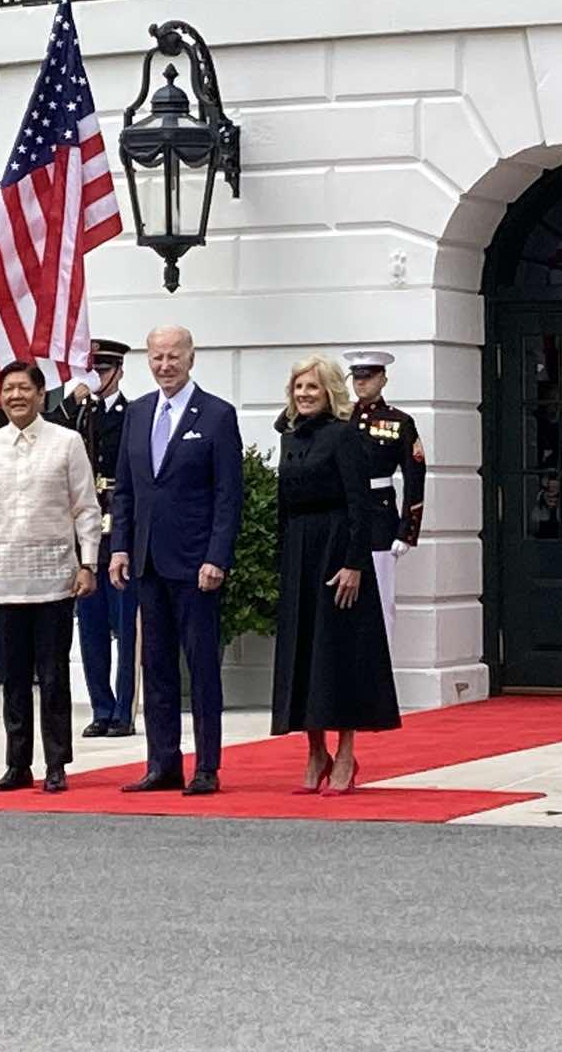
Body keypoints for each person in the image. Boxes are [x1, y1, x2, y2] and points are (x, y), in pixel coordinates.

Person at [109, 326, 243, 796]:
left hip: (195, 564)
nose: (165, 365)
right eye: (157, 357)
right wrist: (120, 546)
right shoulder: (139, 412)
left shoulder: (218, 415)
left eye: (174, 356)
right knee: (156, 666)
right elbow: (125, 490)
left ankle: (206, 765)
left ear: (191, 358)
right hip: (147, 560)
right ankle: (162, 762)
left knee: (201, 667)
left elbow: (229, 496)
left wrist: (216, 557)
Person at [0, 360, 103, 793]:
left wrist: (89, 563)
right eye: (8, 389)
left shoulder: (66, 442)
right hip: (5, 577)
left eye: (24, 388)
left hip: (56, 576)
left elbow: (86, 507)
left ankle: (57, 762)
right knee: (15, 678)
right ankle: (17, 762)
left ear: (42, 395)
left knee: (54, 673)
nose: (16, 396)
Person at [271, 355, 399, 794]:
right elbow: (283, 505)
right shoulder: (289, 437)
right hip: (299, 553)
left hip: (337, 552)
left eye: (313, 388)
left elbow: (359, 504)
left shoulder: (345, 436)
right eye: (299, 387)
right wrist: (280, 560)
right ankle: (315, 750)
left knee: (337, 653)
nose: (304, 395)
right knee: (303, 652)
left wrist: (354, 562)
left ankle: (345, 751)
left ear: (329, 392)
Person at [49, 338, 139, 738]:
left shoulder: (132, 414)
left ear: (118, 371)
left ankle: (124, 709)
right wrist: (73, 402)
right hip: (85, 533)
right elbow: (48, 433)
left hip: (119, 525)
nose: (95, 379)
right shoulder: (75, 415)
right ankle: (101, 707)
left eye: (101, 372)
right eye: (89, 372)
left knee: (125, 626)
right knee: (92, 627)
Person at [343, 350, 426, 649]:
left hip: (379, 516)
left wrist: (407, 529)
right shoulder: (340, 416)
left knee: (380, 599)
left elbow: (415, 477)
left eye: (368, 378)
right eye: (356, 378)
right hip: (343, 516)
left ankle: (382, 675)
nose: (361, 384)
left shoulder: (398, 421)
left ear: (383, 379)